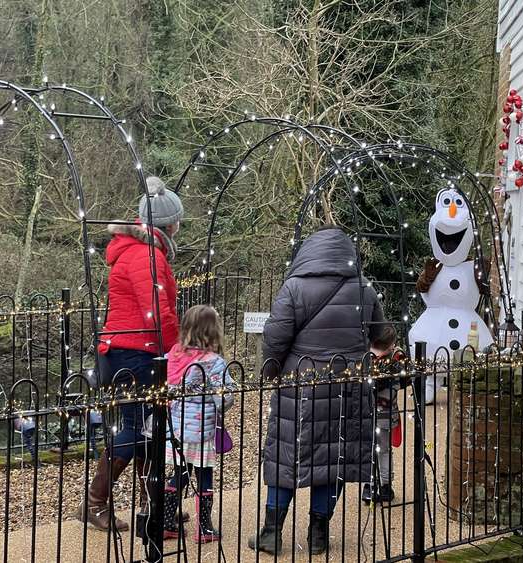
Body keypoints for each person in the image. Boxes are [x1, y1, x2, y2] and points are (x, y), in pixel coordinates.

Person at [250, 225, 386, 555]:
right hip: (347, 389)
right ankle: (318, 534)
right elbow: (383, 336)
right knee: (332, 460)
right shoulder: (364, 289)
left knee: (285, 458)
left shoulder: (294, 287)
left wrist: (270, 370)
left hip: (300, 388)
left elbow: (274, 339)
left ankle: (271, 532)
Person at [76, 176, 183, 531]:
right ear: (169, 223)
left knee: (148, 429)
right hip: (136, 352)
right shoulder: (146, 255)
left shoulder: (143, 251)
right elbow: (158, 311)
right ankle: (94, 502)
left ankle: (153, 502)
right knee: (137, 429)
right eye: (177, 220)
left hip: (133, 349)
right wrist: (177, 349)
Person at [162, 305, 235, 543]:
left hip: (176, 428)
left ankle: (166, 522)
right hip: (202, 432)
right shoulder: (213, 362)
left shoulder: (172, 355)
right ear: (213, 332)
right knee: (205, 476)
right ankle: (204, 528)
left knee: (180, 473)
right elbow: (223, 400)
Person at [362, 324, 406, 504]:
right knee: (382, 451)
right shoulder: (396, 358)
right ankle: (380, 486)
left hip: (373, 414)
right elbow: (403, 382)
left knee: (373, 450)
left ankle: (375, 486)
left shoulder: (369, 358)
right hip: (383, 414)